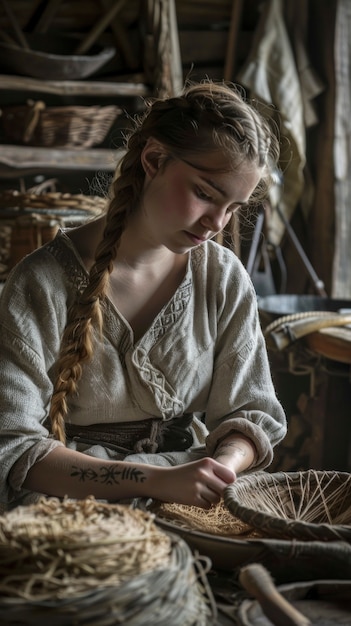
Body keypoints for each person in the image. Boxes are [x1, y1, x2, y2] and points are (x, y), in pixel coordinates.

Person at [0, 80, 287, 513]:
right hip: (70, 500)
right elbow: (14, 445)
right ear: (154, 159)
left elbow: (251, 411)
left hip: (191, 494)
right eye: (205, 194)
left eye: (232, 208)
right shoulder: (40, 283)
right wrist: (157, 480)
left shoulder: (223, 277)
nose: (216, 223)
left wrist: (221, 468)